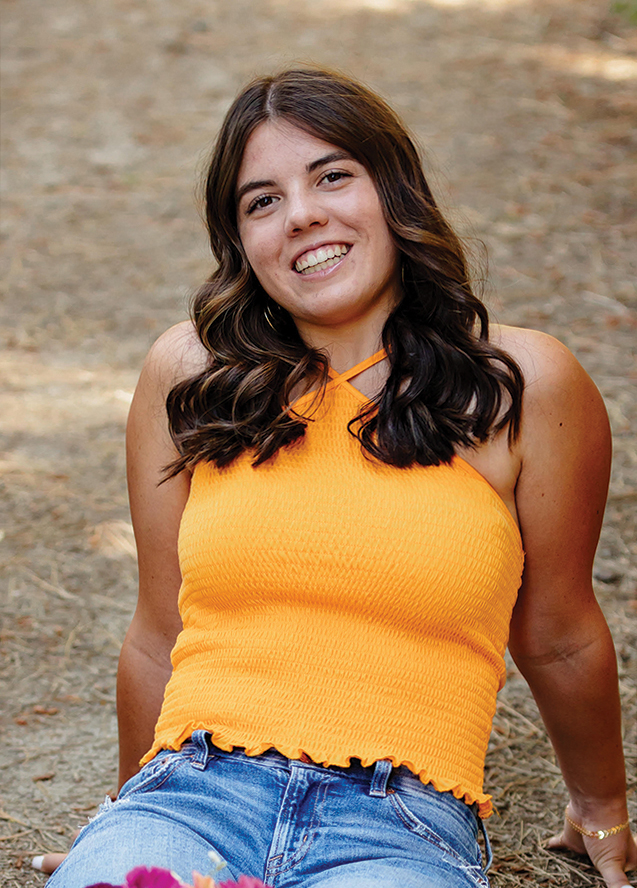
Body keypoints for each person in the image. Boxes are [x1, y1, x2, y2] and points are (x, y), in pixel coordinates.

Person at [42, 68, 635, 888]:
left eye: (330, 176)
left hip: (400, 825)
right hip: (192, 794)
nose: (301, 214)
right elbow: (156, 631)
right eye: (262, 201)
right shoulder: (192, 374)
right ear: (241, 243)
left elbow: (559, 634)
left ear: (393, 190)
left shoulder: (522, 385)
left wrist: (602, 809)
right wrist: (124, 820)